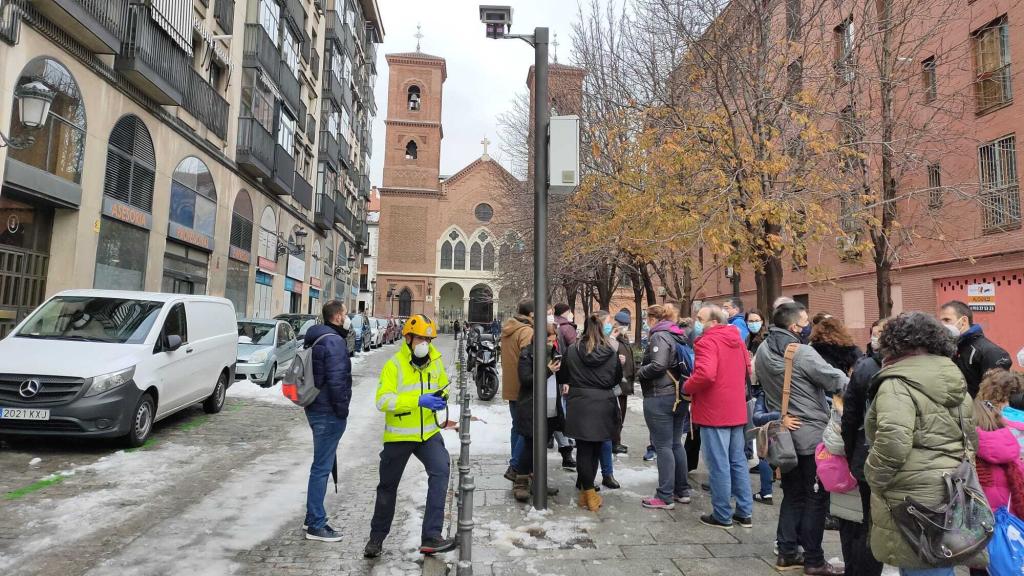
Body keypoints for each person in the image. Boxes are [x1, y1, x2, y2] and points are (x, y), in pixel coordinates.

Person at [865, 312, 982, 575]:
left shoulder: (897, 382)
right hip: (952, 486)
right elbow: (971, 438)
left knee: (920, 562)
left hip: (913, 495)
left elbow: (892, 443)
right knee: (941, 559)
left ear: (894, 344)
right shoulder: (955, 380)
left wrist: (873, 476)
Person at [756, 301, 849, 575]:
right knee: (815, 498)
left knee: (792, 494)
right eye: (805, 321)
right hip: (809, 434)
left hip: (783, 435)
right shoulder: (802, 352)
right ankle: (813, 559)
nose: (807, 326)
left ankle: (786, 552)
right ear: (795, 326)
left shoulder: (762, 350)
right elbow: (835, 380)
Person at [364, 314, 454, 558]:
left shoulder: (435, 360)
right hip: (400, 436)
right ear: (408, 338)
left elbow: (444, 385)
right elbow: (383, 401)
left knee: (441, 471)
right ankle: (376, 538)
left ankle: (431, 537)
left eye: (428, 338)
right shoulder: (394, 365)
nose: (425, 343)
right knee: (387, 487)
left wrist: (441, 398)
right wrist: (417, 401)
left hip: (428, 434)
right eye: (421, 338)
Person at [685, 304, 754, 528]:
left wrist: (687, 386)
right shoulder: (737, 340)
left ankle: (722, 514)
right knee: (738, 462)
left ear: (713, 322)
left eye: (700, 318)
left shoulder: (707, 341)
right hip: (736, 409)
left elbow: (705, 374)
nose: (697, 322)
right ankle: (744, 512)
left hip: (713, 411)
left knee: (718, 465)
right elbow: (748, 371)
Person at [838, 318, 889, 576]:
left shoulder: (865, 367)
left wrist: (850, 452)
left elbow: (850, 417)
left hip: (866, 453)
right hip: (898, 461)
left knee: (865, 521)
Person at [301, 300, 353, 542]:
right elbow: (336, 381)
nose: (348, 316)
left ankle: (312, 515)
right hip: (327, 412)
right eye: (345, 313)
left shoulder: (317, 337)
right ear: (338, 317)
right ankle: (315, 523)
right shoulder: (333, 341)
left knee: (321, 464)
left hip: (316, 408)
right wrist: (342, 411)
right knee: (321, 468)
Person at [563, 310, 622, 512]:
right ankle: (588, 492)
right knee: (596, 449)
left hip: (580, 403)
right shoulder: (611, 351)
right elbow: (616, 378)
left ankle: (586, 491)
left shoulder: (572, 349)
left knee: (584, 449)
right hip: (603, 403)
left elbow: (565, 373)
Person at [636, 305, 693, 509]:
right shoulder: (677, 334)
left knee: (663, 446)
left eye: (646, 317)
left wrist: (640, 372)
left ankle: (665, 495)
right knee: (675, 443)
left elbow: (658, 365)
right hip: (678, 395)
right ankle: (682, 490)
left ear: (653, 318)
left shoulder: (659, 336)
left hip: (660, 396)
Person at [513, 323, 564, 502]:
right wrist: (547, 371)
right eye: (549, 340)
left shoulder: (555, 353)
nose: (553, 343)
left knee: (542, 445)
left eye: (554, 339)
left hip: (551, 406)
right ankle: (520, 482)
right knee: (530, 445)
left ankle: (538, 482)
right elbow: (526, 380)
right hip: (532, 405)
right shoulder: (528, 353)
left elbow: (561, 375)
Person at [939, 300, 1013, 398]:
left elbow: (997, 395)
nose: (942, 325)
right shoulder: (950, 348)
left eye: (947, 320)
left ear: (963, 321)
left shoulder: (990, 352)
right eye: (940, 321)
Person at [500, 300, 534, 481]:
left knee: (517, 427)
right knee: (525, 430)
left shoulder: (509, 329)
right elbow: (530, 360)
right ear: (532, 315)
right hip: (524, 387)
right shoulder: (526, 331)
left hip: (511, 385)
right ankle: (515, 467)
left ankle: (518, 465)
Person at [553, 303, 579, 470]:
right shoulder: (566, 328)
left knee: (556, 415)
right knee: (558, 414)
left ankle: (566, 449)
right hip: (556, 378)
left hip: (556, 377)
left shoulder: (557, 327)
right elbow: (573, 351)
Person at [612, 310, 636, 455]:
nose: (624, 327)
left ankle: (617, 441)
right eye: (622, 324)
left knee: (621, 415)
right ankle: (615, 442)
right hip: (619, 384)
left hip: (625, 383)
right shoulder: (615, 340)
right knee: (617, 415)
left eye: (626, 324)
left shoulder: (624, 339)